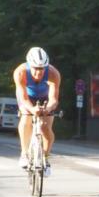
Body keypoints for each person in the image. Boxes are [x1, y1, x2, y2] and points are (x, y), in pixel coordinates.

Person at [13, 47, 60, 176]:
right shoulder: (20, 72)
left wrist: (48, 109)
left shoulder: (53, 73)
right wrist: (32, 109)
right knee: (26, 116)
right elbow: (23, 98)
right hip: (27, 97)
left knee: (46, 127)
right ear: (29, 65)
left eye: (42, 69)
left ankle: (45, 157)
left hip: (45, 97)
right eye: (35, 68)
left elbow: (53, 99)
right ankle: (24, 153)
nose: (39, 72)